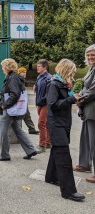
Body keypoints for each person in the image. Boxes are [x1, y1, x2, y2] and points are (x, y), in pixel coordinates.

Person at [45, 59, 85, 202]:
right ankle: (68, 191)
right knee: (64, 157)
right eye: (72, 71)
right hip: (57, 124)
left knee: (57, 150)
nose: (73, 74)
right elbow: (52, 105)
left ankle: (51, 176)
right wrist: (71, 99)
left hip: (61, 123)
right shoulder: (54, 84)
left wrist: (73, 98)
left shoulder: (62, 84)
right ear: (66, 70)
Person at [0, 58, 37, 161]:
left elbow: (15, 94)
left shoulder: (12, 78)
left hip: (9, 109)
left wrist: (5, 105)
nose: (2, 68)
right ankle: (30, 150)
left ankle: (4, 155)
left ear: (7, 67)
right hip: (15, 109)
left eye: (2, 66)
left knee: (2, 131)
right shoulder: (15, 77)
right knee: (17, 129)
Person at [74, 44, 95, 182]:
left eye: (93, 54)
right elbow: (85, 87)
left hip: (92, 109)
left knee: (94, 141)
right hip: (88, 109)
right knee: (86, 139)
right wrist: (79, 95)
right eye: (88, 55)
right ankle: (84, 164)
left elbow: (93, 90)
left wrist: (80, 98)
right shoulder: (91, 68)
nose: (90, 57)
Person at [34, 59, 52, 153]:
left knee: (41, 123)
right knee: (45, 123)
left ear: (44, 67)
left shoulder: (49, 78)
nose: (37, 68)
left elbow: (49, 93)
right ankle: (48, 142)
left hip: (45, 104)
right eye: (37, 66)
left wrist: (41, 100)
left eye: (39, 66)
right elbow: (38, 89)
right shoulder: (39, 77)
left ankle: (42, 145)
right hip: (39, 103)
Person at [17, 67, 39, 135]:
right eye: (23, 72)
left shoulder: (22, 80)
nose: (24, 73)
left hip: (23, 100)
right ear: (19, 73)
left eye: (25, 72)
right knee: (22, 115)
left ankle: (31, 129)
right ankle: (26, 129)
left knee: (27, 115)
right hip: (20, 100)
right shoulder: (18, 80)